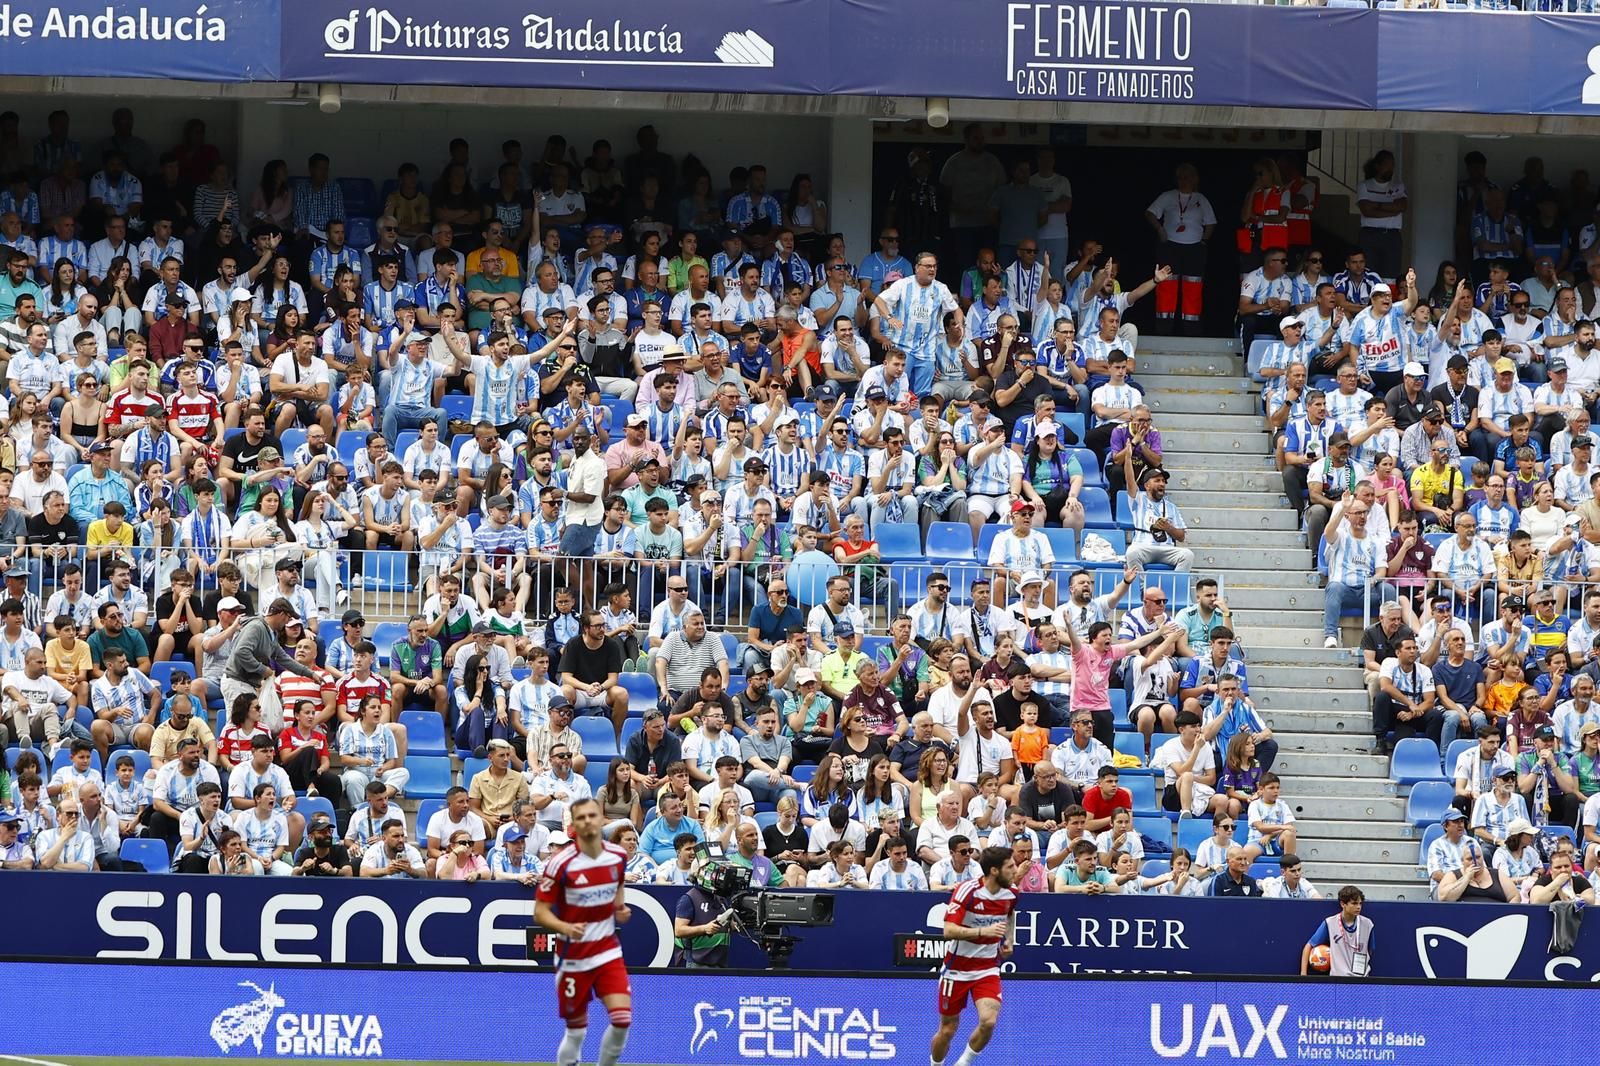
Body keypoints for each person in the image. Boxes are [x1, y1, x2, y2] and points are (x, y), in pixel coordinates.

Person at [534, 797, 633, 1066]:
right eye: (581, 818)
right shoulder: (560, 864)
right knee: (577, 1031)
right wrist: (565, 927)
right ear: (574, 826)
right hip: (572, 957)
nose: (588, 821)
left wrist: (619, 907)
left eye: (592, 815)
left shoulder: (618, 856)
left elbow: (618, 883)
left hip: (607, 951)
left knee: (622, 1020)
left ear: (602, 819)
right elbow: (540, 912)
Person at [930, 845, 1017, 1066]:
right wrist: (982, 932)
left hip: (987, 968)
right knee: (948, 1029)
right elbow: (948, 931)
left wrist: (1009, 940)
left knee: (988, 1021)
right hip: (956, 969)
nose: (1015, 870)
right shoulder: (967, 891)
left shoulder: (1012, 893)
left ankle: (964, 1063)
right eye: (1010, 866)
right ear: (995, 871)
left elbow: (1009, 914)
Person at [1300, 885, 1372, 977]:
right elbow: (1309, 946)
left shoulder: (1368, 924)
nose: (1358, 907)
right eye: (1354, 903)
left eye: (1360, 903)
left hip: (1362, 979)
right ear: (1343, 904)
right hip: (1338, 980)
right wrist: (1303, 974)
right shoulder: (1330, 923)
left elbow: (1370, 950)